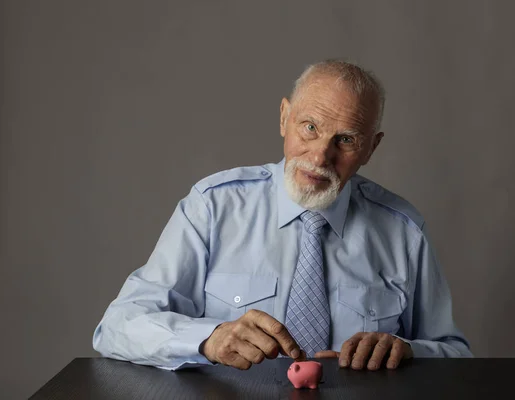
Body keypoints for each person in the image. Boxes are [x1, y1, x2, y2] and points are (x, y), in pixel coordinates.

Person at [92, 60, 472, 372]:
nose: (320, 156)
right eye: (310, 127)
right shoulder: (212, 207)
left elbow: (456, 355)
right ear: (283, 117)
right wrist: (209, 339)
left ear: (371, 147)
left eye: (346, 140)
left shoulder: (402, 230)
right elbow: (116, 327)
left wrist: (406, 351)